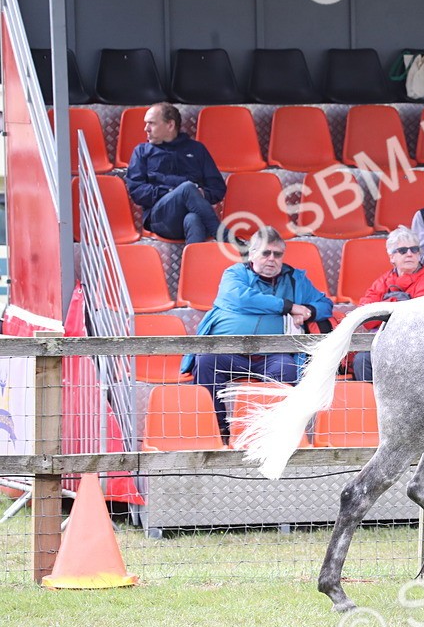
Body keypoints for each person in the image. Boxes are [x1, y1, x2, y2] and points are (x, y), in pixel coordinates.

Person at [183, 227, 334, 436]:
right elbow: (241, 298)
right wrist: (289, 306)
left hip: (272, 355)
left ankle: (270, 431)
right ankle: (217, 429)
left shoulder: (295, 278)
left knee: (288, 369)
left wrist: (309, 311)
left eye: (277, 254)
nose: (271, 259)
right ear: (252, 254)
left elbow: (325, 304)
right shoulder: (235, 273)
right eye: (265, 253)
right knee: (206, 361)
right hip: (229, 353)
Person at [125, 102, 226, 244]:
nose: (146, 129)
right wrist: (175, 192)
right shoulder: (141, 151)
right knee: (187, 188)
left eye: (151, 123)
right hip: (160, 218)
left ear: (170, 125)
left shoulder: (197, 149)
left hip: (191, 215)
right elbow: (137, 191)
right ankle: (223, 236)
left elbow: (218, 188)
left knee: (194, 219)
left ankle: (192, 265)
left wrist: (202, 194)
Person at [352, 227, 424, 382]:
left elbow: (417, 316)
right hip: (384, 342)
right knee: (362, 360)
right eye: (402, 250)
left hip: (416, 344)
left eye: (414, 250)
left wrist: (383, 306)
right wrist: (396, 302)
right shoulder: (385, 279)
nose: (409, 254)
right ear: (391, 257)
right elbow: (365, 314)